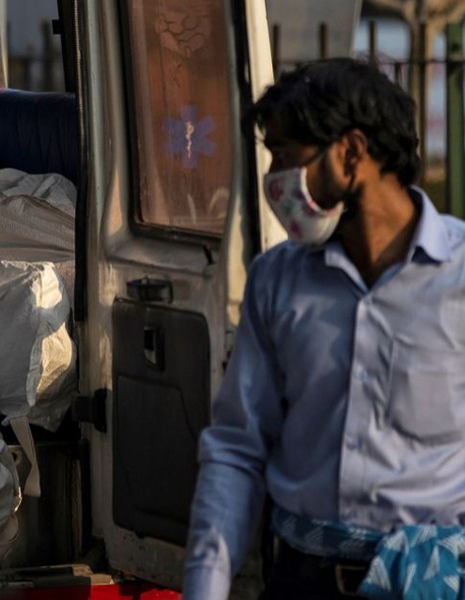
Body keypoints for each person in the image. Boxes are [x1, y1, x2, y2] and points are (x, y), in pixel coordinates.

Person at [182, 57, 465, 599]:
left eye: (285, 156)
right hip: (302, 580)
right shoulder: (276, 280)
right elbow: (239, 449)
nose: (272, 180)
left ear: (351, 152)